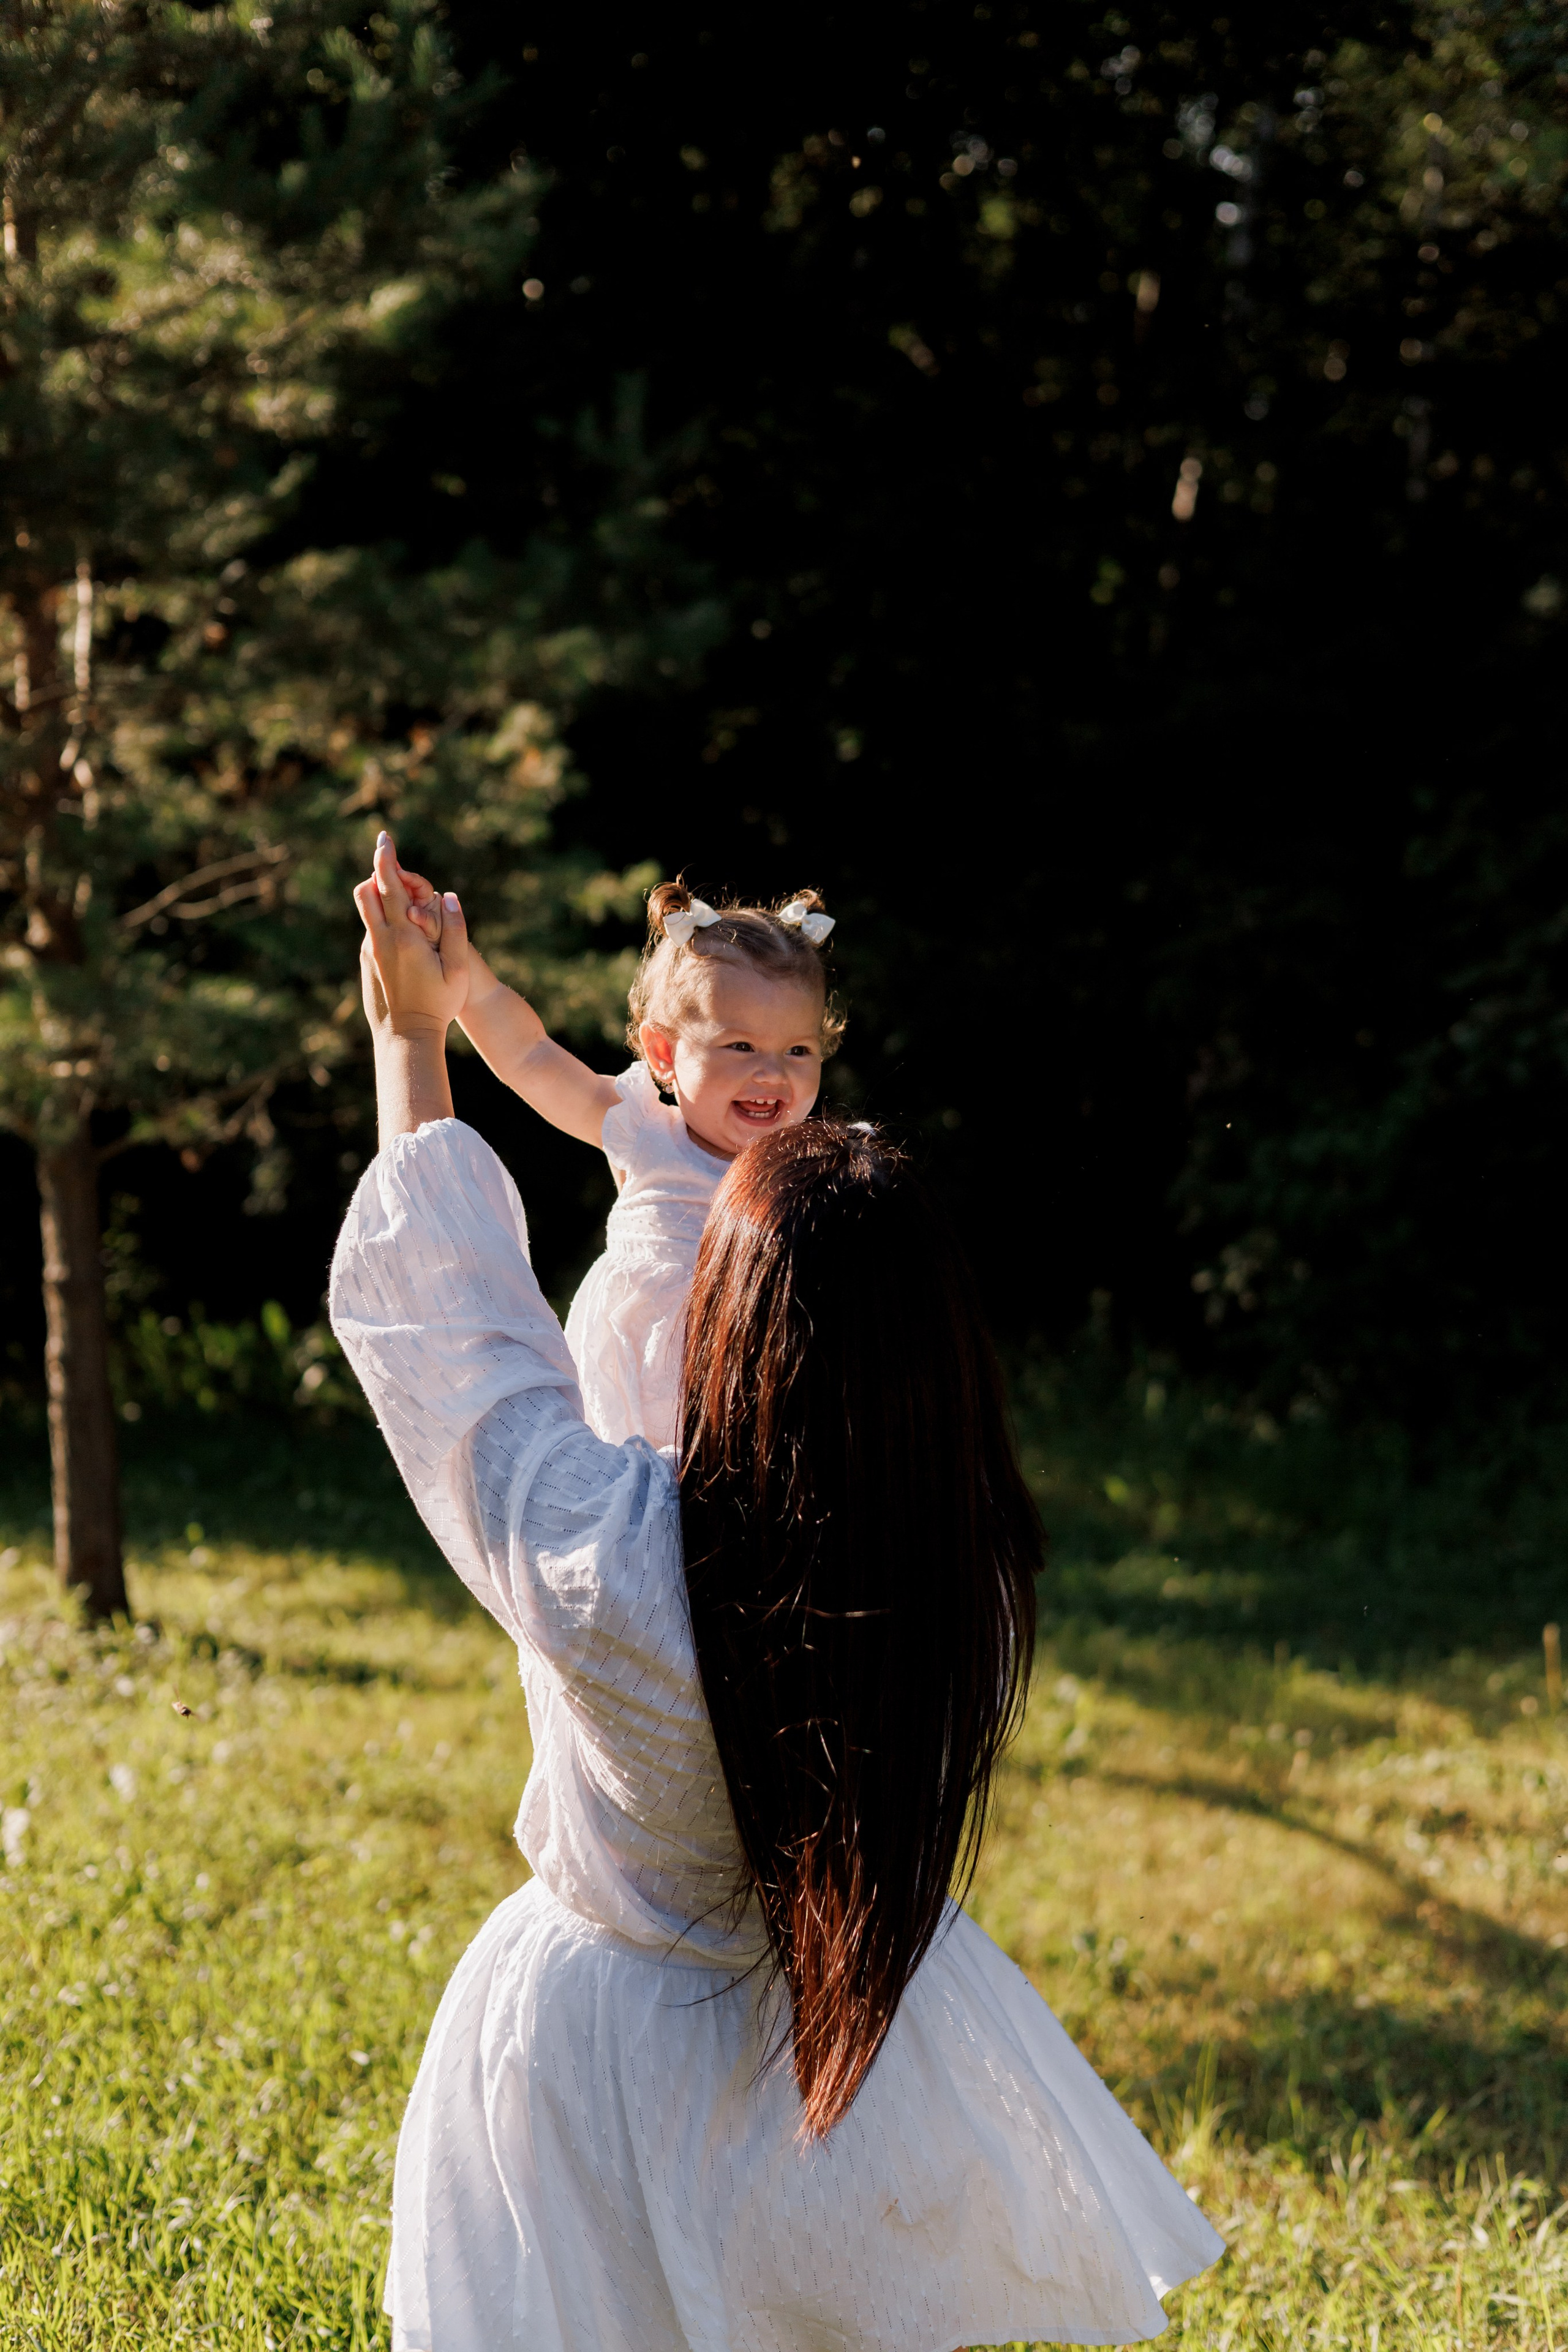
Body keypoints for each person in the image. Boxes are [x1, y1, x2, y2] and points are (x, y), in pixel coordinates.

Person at [333, 835, 1223, 2352]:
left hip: (589, 2064)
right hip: (845, 2061)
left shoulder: (611, 1562)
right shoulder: (956, 1578)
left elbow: (460, 1341)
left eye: (795, 1054)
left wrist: (409, 1037)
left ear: (726, 1322)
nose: (769, 1076)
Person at [386, 832, 840, 1450]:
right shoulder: (645, 1135)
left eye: (798, 1051)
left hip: (753, 1415)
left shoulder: (817, 1168)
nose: (772, 1073)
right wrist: (461, 968)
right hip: (627, 1409)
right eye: (741, 1046)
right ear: (663, 1053)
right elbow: (529, 1054)